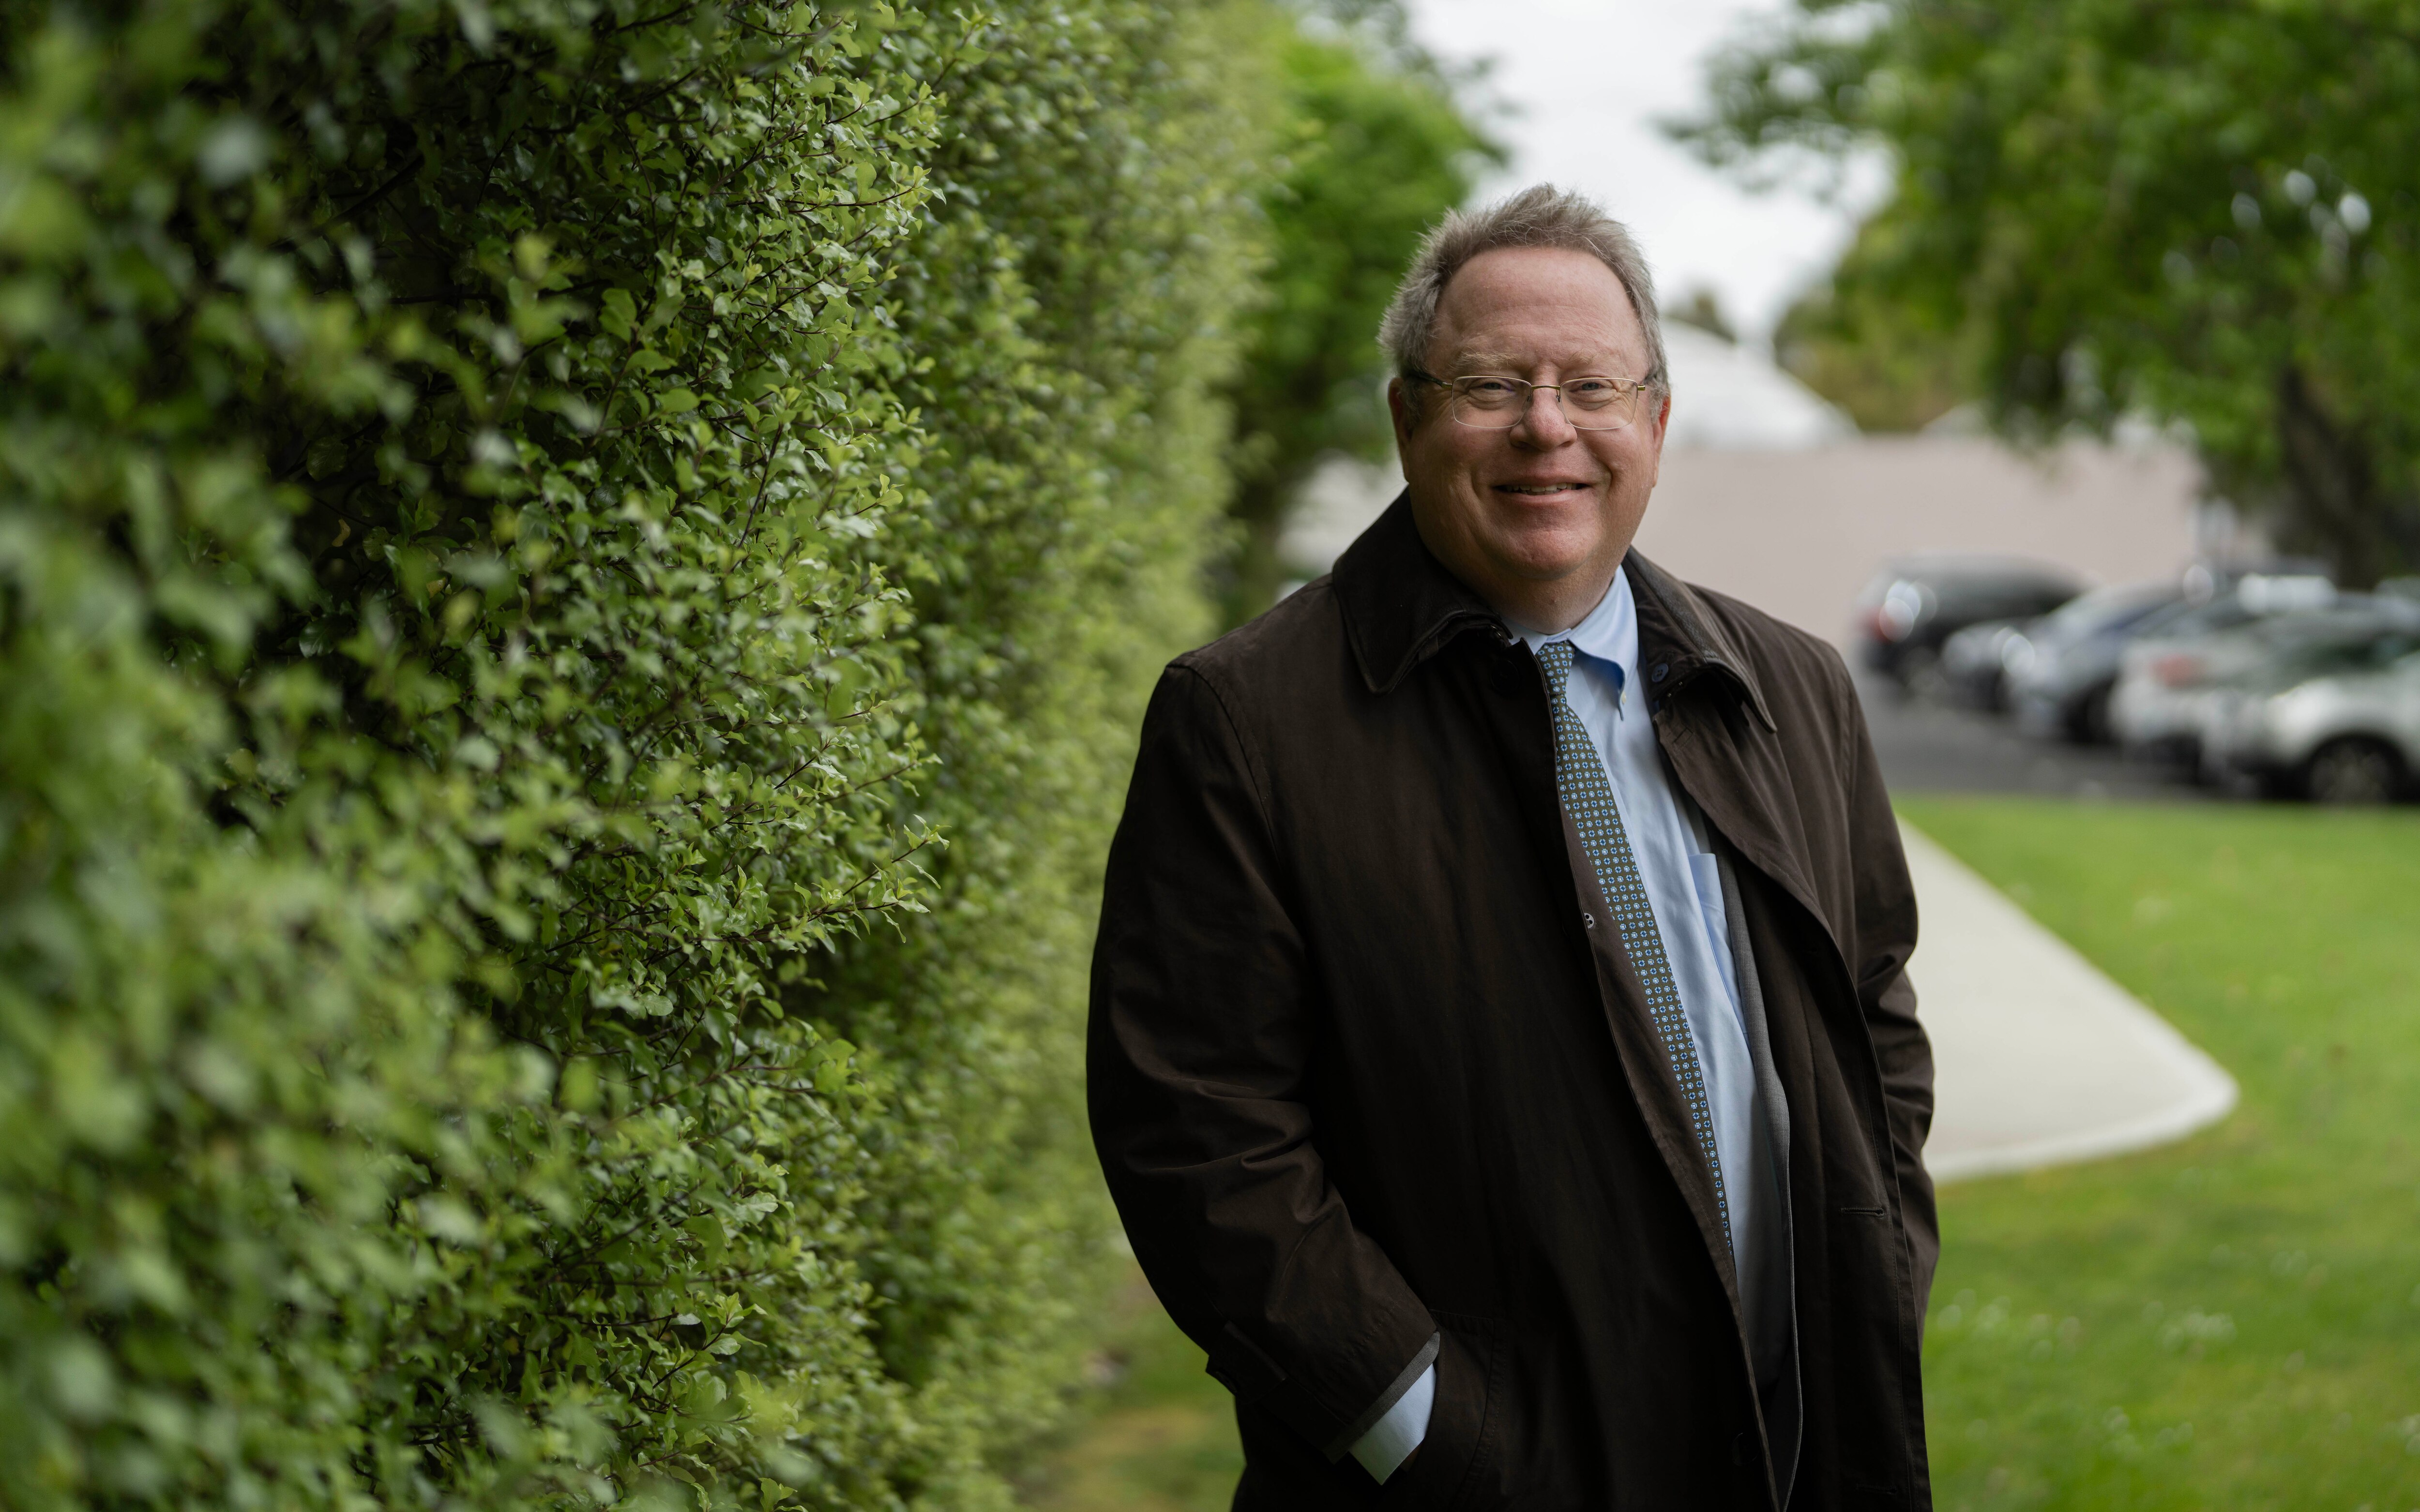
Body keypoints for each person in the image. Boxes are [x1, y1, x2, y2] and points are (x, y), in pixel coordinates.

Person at [1087, 184, 1935, 1509]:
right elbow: (1201, 1137)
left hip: (1796, 1445)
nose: (1550, 430)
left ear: (1654, 421)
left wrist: (1880, 1269)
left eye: (1592, 387)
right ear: (1408, 416)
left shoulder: (1795, 689)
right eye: (1492, 385)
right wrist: (1431, 1440)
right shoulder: (1246, 721)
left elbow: (1873, 1012)